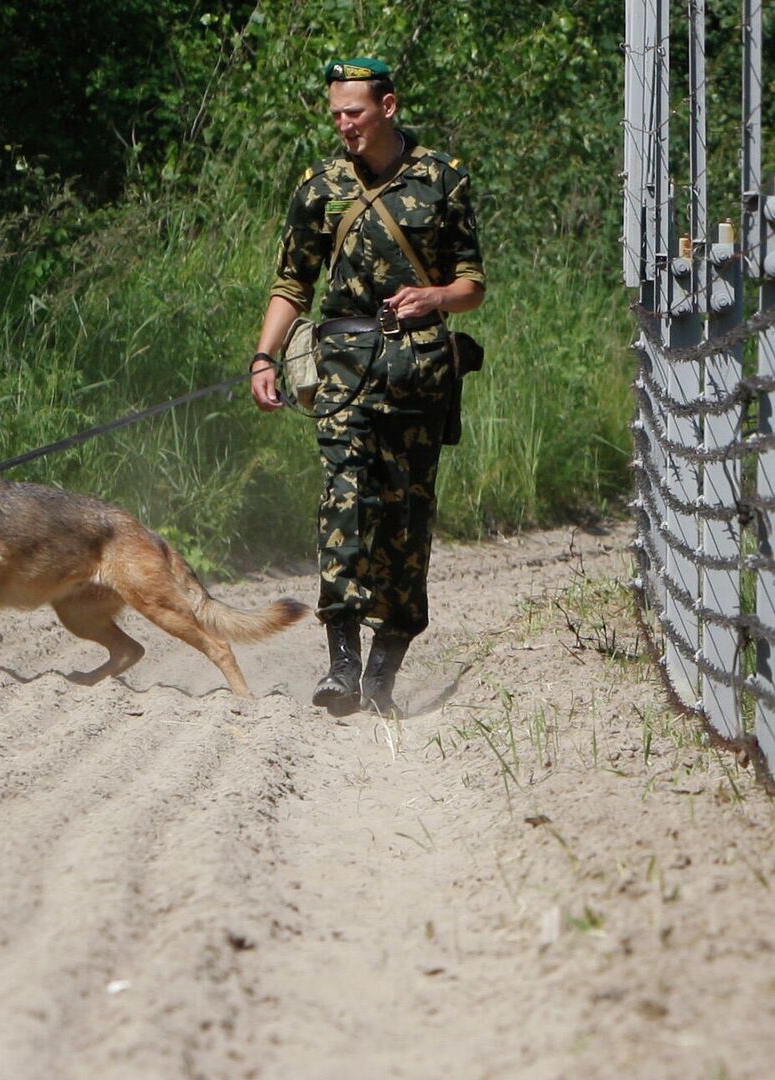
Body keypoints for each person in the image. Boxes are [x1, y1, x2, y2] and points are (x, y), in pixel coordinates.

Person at [248, 57, 485, 717]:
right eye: (335, 115)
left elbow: (473, 284)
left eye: (353, 112)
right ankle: (342, 666)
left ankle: (385, 668)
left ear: (387, 105)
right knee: (343, 506)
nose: (343, 125)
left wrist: (434, 295)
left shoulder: (443, 179)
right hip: (344, 371)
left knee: (406, 518)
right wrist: (263, 358)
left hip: (419, 375)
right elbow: (291, 283)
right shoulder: (320, 186)